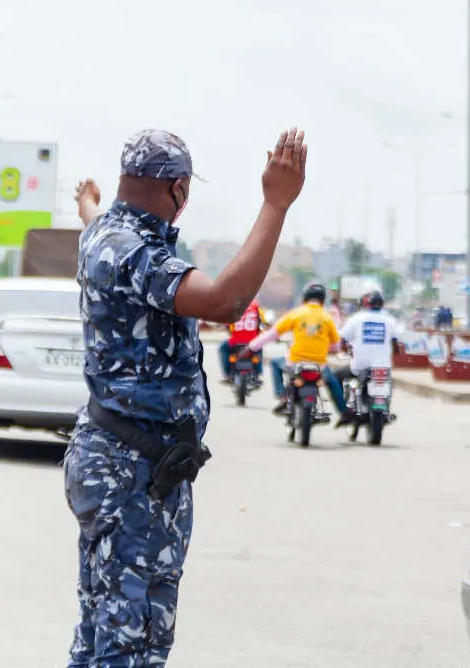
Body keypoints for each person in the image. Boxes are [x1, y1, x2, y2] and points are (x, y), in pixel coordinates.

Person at [65, 127, 308, 666]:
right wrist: (276, 203)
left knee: (99, 629)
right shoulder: (135, 253)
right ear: (178, 189)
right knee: (132, 641)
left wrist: (87, 200)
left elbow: (90, 215)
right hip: (134, 475)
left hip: (111, 457)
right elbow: (224, 301)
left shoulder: (102, 233)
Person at [243, 282, 350, 423]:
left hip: (295, 363)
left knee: (275, 363)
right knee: (332, 382)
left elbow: (271, 334)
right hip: (319, 365)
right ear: (323, 300)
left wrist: (251, 348)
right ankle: (344, 413)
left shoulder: (296, 314)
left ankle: (282, 397)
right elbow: (336, 346)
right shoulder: (327, 318)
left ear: (305, 298)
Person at [333, 290, 402, 411]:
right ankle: (386, 409)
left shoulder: (357, 318)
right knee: (388, 382)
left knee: (336, 377)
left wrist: (348, 351)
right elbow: (396, 346)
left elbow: (343, 339)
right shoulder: (390, 320)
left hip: (360, 365)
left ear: (365, 304)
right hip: (382, 366)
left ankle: (345, 410)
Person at [218, 298, 265, 384]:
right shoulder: (255, 305)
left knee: (223, 348)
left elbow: (225, 323)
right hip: (252, 341)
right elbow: (262, 321)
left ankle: (227, 373)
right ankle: (258, 373)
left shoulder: (233, 305)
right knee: (259, 348)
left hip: (235, 342)